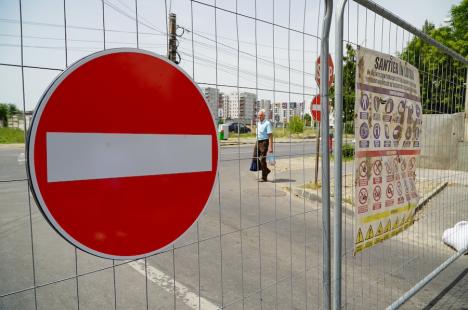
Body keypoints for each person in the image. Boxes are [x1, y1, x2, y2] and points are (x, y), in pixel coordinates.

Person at [253, 109, 273, 182]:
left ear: (264, 116)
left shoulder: (267, 123)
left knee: (262, 159)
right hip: (257, 141)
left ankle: (264, 177)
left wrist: (271, 147)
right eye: (258, 115)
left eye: (261, 115)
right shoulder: (258, 123)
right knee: (255, 157)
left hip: (264, 142)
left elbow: (270, 135)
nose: (259, 117)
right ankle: (266, 170)